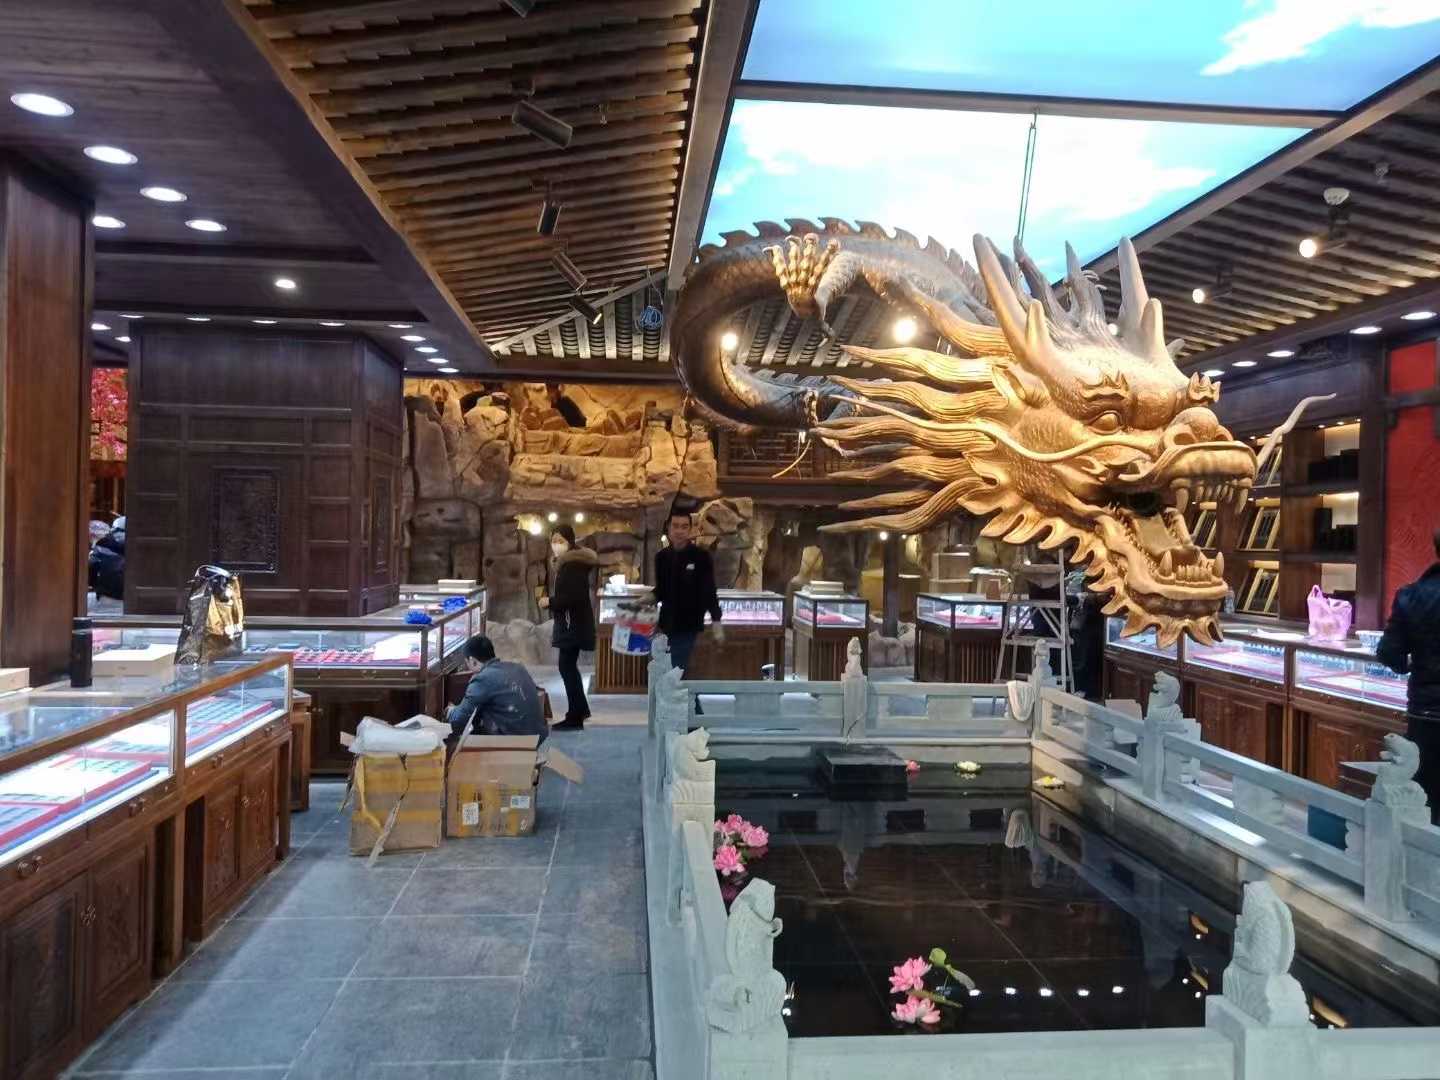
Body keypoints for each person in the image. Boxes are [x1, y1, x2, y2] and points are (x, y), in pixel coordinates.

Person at [1376, 530, 1440, 820]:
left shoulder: (1410, 596)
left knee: (1425, 803)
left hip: (1425, 714)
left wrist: (1414, 664)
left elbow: (1389, 653)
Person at [653, 509, 723, 676]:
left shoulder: (701, 556)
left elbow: (709, 590)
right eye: (675, 526)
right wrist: (643, 600)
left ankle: (685, 694)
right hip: (665, 624)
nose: (679, 531)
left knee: (677, 672)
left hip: (689, 626)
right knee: (668, 672)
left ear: (690, 530)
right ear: (669, 528)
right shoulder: (661, 557)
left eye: (684, 527)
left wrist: (716, 621)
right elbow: (661, 590)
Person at [447, 635, 548, 744]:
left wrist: (450, 711)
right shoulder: (517, 667)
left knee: (463, 731)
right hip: (537, 737)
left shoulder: (483, 679)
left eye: (467, 663)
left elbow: (460, 718)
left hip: (517, 742)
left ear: (473, 661)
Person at [545, 524, 598, 731]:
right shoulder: (567, 564)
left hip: (571, 625)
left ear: (570, 542)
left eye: (561, 541)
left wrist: (549, 602)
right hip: (572, 623)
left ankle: (575, 717)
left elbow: (571, 598)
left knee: (566, 667)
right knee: (568, 667)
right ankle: (580, 709)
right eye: (553, 541)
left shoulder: (572, 566)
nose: (556, 545)